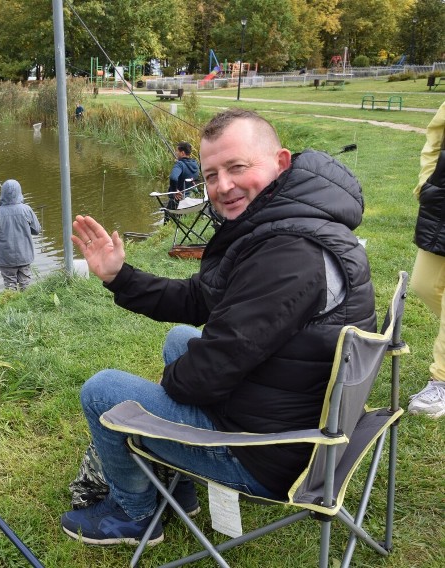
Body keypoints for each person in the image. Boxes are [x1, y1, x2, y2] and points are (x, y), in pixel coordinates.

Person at [60, 108, 376, 546]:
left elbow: (205, 377)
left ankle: (132, 516)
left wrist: (162, 391)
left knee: (104, 391)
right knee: (180, 339)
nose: (223, 186)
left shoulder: (289, 256)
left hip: (272, 453)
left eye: (237, 167)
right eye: (211, 175)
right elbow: (199, 299)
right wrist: (120, 276)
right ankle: (180, 488)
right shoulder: (290, 223)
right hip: (293, 414)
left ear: (280, 162)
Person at [407, 101, 445, 418]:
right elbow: (434, 139)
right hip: (442, 199)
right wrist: (426, 183)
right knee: (423, 284)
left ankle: (441, 383)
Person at [0, 179, 41, 291]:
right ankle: (27, 306)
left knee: (10, 286)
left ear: (2, 194)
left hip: (6, 258)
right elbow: (36, 230)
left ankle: (12, 306)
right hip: (25, 256)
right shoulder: (27, 209)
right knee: (25, 286)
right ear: (19, 192)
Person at [166, 141, 200, 210]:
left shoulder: (179, 165)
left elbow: (173, 178)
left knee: (168, 219)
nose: (175, 153)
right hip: (189, 200)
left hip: (177, 201)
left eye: (177, 151)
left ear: (182, 153)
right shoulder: (195, 164)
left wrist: (175, 190)